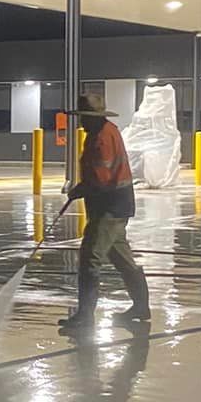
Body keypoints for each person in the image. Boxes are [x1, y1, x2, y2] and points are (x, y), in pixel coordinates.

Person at [58, 91, 150, 333]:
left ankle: (85, 317)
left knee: (90, 258)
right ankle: (141, 307)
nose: (80, 122)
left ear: (93, 117)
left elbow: (101, 179)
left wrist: (79, 190)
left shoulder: (101, 138)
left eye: (83, 117)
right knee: (120, 256)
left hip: (110, 207)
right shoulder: (107, 130)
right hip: (116, 205)